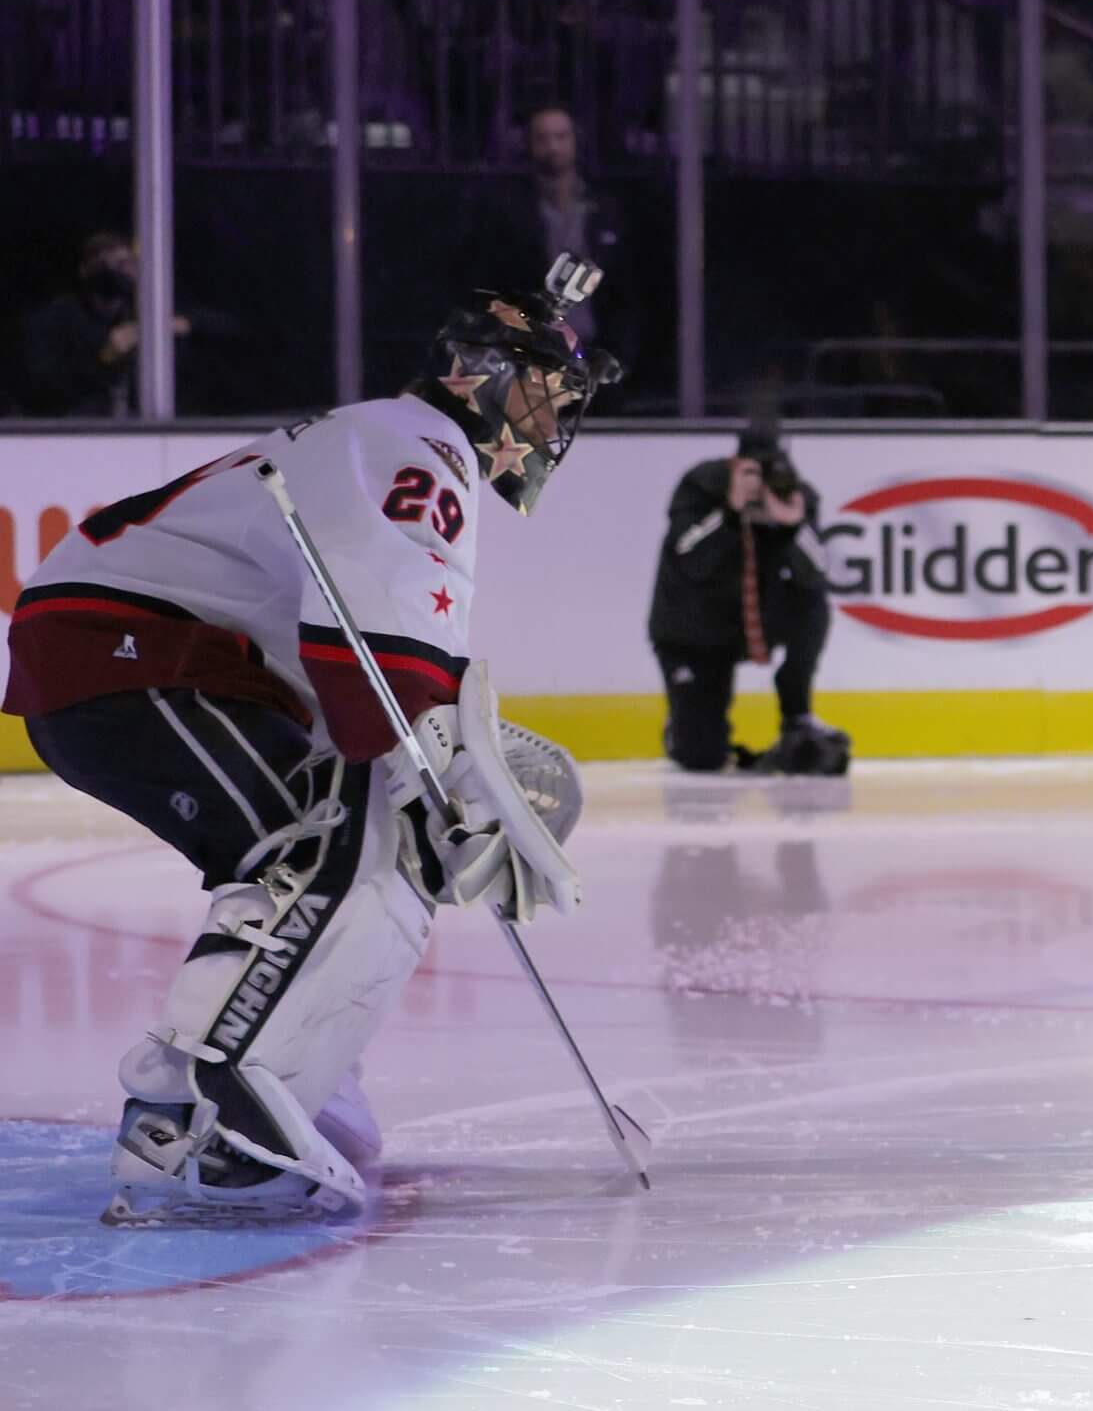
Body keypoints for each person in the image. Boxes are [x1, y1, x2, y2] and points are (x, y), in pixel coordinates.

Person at [0, 261, 619, 1221]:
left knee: (347, 834)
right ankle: (208, 1126)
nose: (554, 417)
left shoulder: (396, 439)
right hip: (131, 655)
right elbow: (384, 680)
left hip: (141, 655)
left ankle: (300, 1077)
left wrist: (441, 777)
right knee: (327, 847)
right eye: (546, 385)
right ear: (483, 372)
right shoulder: (420, 448)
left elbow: (366, 694)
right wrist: (449, 787)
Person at [647, 430, 850, 775]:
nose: (763, 482)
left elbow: (817, 573)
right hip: (694, 631)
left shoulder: (794, 495)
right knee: (702, 756)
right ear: (735, 465)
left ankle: (797, 716)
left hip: (760, 618)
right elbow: (689, 560)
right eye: (754, 472)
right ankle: (683, 729)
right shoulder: (701, 486)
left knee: (811, 600)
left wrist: (791, 527)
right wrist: (730, 511)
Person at [464, 105, 626, 356]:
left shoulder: (602, 209)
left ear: (575, 141)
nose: (553, 148)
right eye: (543, 138)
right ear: (528, 144)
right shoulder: (511, 212)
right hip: (534, 354)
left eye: (561, 137)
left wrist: (622, 353)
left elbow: (623, 285)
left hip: (595, 350)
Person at [17, 231, 205, 417]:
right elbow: (43, 388)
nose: (113, 271)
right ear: (84, 270)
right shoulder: (55, 318)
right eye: (101, 265)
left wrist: (176, 324)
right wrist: (105, 358)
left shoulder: (150, 308)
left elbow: (224, 328)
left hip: (148, 424)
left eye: (123, 264)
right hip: (79, 428)